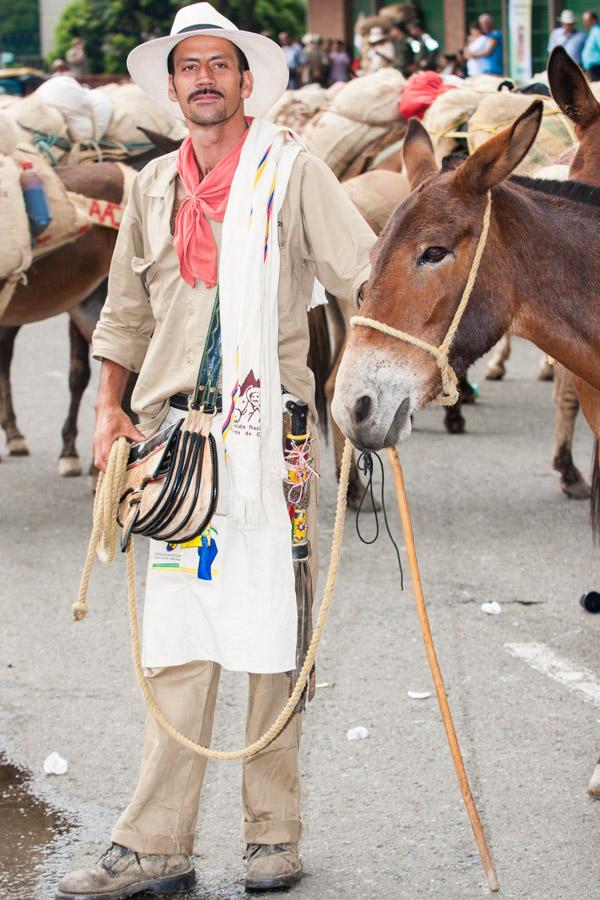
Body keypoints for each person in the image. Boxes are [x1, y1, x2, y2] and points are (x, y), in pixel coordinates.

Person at [55, 3, 375, 899]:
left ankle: (275, 836)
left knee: (275, 633)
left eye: (218, 66)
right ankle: (158, 845)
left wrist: (381, 385)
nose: (203, 79)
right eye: (188, 66)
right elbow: (124, 313)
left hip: (271, 438)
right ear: (172, 86)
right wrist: (108, 407)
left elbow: (366, 278)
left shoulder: (293, 173)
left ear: (244, 82)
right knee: (179, 636)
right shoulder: (152, 187)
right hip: (172, 443)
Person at [582, 11, 600, 80]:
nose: (585, 23)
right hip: (592, 68)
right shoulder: (593, 31)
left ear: (593, 20)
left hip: (596, 68)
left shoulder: (597, 31)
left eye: (587, 20)